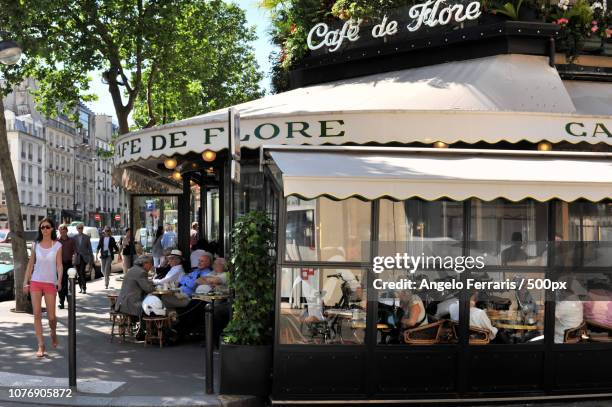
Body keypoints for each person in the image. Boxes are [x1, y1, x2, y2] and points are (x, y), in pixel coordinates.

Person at [22, 218, 63, 357]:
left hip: (50, 283)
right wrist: (25, 282)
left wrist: (60, 280)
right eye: (42, 227)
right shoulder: (35, 245)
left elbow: (59, 265)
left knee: (51, 317)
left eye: (47, 227)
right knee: (37, 314)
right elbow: (30, 264)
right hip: (36, 282)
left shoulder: (57, 245)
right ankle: (41, 345)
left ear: (52, 229)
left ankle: (53, 332)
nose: (44, 229)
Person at [57, 224, 76, 309]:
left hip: (69, 264)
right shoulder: (57, 241)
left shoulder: (71, 241)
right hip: (59, 265)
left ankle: (69, 301)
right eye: (61, 230)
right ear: (59, 231)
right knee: (60, 283)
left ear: (66, 231)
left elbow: (75, 252)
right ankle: (61, 302)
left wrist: (74, 261)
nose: (62, 232)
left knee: (69, 284)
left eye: (64, 230)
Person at [73, 223, 94, 294]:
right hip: (77, 258)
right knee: (78, 274)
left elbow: (90, 249)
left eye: (81, 228)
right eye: (79, 228)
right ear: (77, 229)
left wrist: (91, 258)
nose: (80, 229)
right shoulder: (74, 237)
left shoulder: (87, 237)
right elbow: (72, 248)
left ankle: (84, 288)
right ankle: (80, 287)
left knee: (82, 272)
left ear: (83, 228)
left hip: (84, 258)